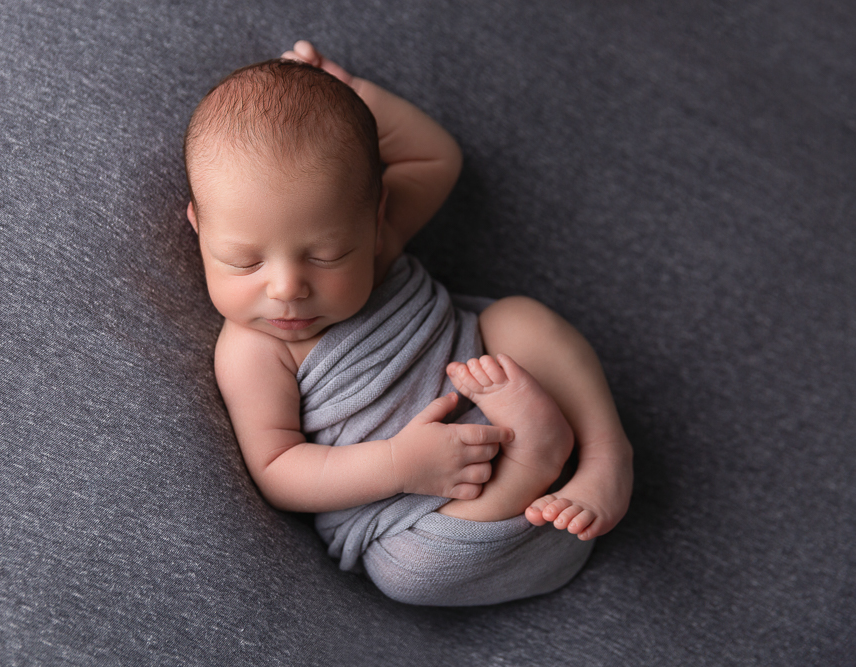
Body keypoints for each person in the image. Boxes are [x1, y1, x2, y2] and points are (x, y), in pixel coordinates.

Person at [182, 41, 633, 605]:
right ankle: (533, 458)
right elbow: (279, 469)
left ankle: (605, 456)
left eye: (325, 256)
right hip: (434, 510)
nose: (287, 288)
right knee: (404, 574)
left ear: (373, 223)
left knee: (517, 318)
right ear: (199, 228)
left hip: (511, 397)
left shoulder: (378, 247)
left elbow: (434, 156)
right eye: (244, 261)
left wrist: (355, 95)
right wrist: (400, 465)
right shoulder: (251, 349)